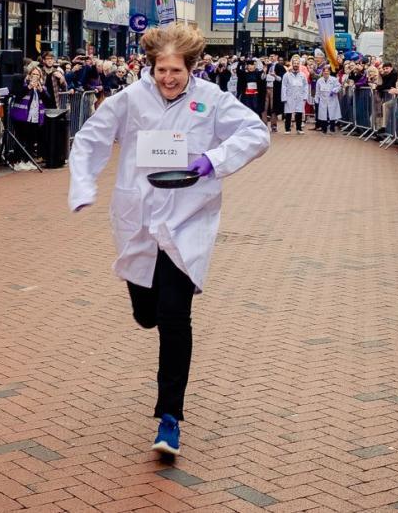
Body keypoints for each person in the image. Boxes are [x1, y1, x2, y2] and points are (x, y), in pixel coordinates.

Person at [68, 24, 270, 456]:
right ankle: (147, 307)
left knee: (175, 315)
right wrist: (83, 187)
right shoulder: (129, 100)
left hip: (186, 219)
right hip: (138, 218)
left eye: (176, 70)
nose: (168, 78)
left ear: (190, 68)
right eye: (162, 69)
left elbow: (256, 134)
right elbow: (89, 139)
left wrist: (212, 160)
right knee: (147, 314)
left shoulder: (211, 100)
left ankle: (170, 417)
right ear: (151, 66)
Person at [282, 58, 308, 134]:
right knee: (288, 113)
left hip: (300, 96)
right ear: (292, 64)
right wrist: (284, 97)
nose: (296, 65)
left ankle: (299, 129)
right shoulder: (286, 75)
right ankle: (287, 129)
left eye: (297, 63)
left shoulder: (302, 75)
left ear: (299, 64)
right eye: (294, 63)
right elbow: (283, 86)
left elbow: (305, 86)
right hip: (289, 96)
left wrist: (305, 96)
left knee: (299, 112)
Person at [315, 66, 341, 134]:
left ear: (329, 72)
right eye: (324, 72)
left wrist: (334, 90)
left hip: (332, 99)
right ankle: (324, 129)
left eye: (327, 71)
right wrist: (316, 100)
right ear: (322, 72)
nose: (326, 73)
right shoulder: (319, 80)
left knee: (332, 114)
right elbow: (317, 91)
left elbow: (338, 86)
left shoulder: (334, 79)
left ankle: (332, 129)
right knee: (323, 115)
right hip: (323, 99)